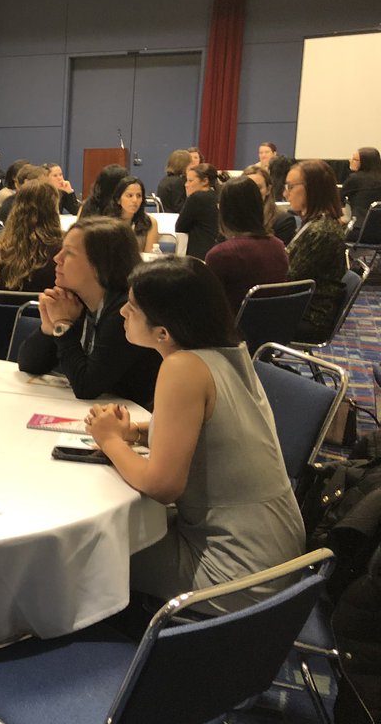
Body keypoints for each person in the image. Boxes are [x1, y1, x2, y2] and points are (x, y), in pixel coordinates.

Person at [85, 257, 304, 612]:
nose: (122, 311)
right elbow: (214, 429)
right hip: (277, 551)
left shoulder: (181, 366)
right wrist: (137, 433)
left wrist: (109, 440)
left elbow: (162, 485)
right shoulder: (228, 351)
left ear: (163, 332)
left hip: (234, 570)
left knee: (86, 550)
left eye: (133, 307)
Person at [17, 217, 161, 409]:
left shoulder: (127, 312)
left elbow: (86, 386)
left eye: (69, 253)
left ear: (100, 264)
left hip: (135, 419)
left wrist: (63, 325)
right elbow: (29, 365)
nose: (57, 258)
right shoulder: (77, 301)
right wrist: (49, 327)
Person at [203, 176, 289, 314]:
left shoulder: (221, 255)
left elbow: (209, 306)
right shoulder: (278, 247)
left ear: (224, 211)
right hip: (272, 327)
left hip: (231, 330)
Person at [285, 159, 347, 342]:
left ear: (312, 189)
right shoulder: (315, 224)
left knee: (239, 320)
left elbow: (290, 280)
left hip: (309, 316)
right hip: (300, 308)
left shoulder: (322, 231)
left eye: (290, 186)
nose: (285, 193)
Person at [0, 179, 63, 296]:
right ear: (53, 211)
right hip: (46, 313)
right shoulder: (61, 253)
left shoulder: (0, 250)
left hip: (5, 314)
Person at [175, 162, 220, 260]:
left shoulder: (196, 198)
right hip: (216, 251)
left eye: (190, 181)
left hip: (199, 254)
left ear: (204, 181)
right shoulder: (217, 196)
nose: (186, 185)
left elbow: (180, 227)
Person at [242, 164, 297, 244]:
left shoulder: (283, 221)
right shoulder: (231, 217)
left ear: (268, 190)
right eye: (248, 187)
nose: (253, 192)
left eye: (258, 187)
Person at [107, 175, 159, 252]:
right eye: (130, 195)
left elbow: (150, 256)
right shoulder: (107, 223)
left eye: (139, 196)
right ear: (118, 199)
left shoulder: (150, 223)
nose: (135, 200)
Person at [344, 147, 381, 241]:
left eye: (354, 159)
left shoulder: (354, 179)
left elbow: (337, 201)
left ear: (365, 163)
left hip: (360, 231)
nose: (350, 160)